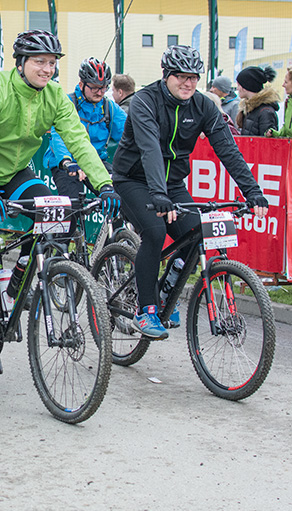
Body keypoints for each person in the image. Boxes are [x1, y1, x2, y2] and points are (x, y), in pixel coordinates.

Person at [0, 30, 121, 375]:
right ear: (21, 63)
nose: (47, 70)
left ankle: (16, 282)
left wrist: (104, 184)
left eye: (52, 63)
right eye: (39, 62)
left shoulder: (55, 96)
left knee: (55, 217)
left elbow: (78, 139)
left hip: (15, 171)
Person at [112, 45, 268, 339]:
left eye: (194, 78)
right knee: (156, 232)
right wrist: (158, 195)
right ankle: (145, 311)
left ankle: (164, 293)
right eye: (181, 77)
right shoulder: (145, 101)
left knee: (197, 233)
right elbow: (149, 150)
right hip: (133, 180)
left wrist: (253, 191)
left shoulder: (203, 105)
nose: (188, 83)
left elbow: (227, 149)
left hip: (171, 184)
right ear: (166, 75)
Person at [44, 57, 126, 201]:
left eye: (104, 87)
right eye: (94, 87)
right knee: (72, 204)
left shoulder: (109, 108)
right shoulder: (67, 103)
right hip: (66, 162)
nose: (100, 92)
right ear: (82, 84)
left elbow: (129, 134)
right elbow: (59, 137)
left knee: (119, 196)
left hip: (95, 160)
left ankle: (115, 222)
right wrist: (66, 161)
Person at [235, 65, 279, 137]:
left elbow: (268, 142)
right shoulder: (249, 108)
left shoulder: (265, 112)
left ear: (246, 86)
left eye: (239, 85)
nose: (237, 88)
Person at [266, 66, 291, 138]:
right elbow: (286, 129)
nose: (283, 85)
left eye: (286, 82)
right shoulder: (288, 102)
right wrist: (274, 133)